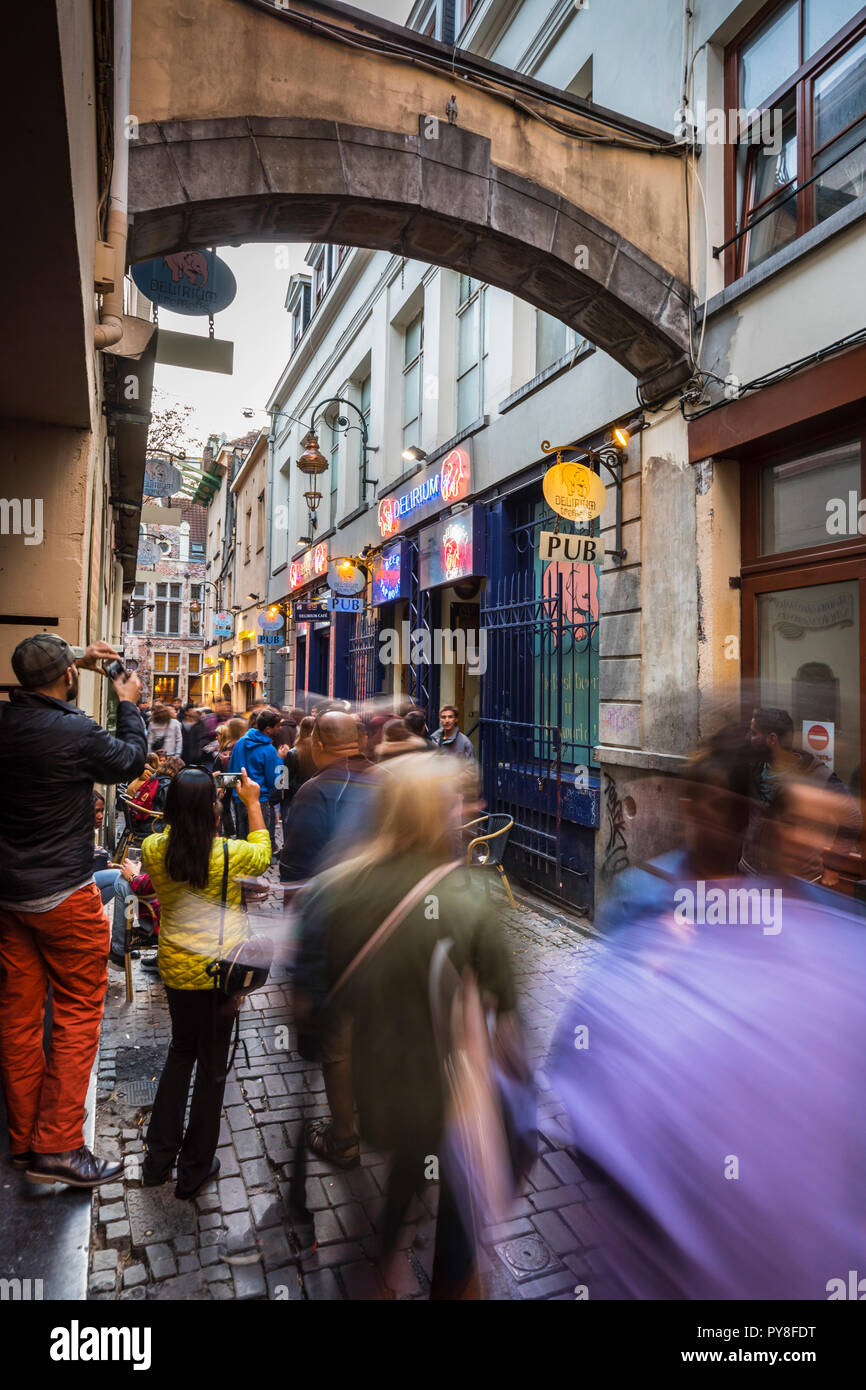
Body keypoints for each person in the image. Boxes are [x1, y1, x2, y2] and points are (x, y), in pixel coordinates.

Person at [294, 752, 518, 1297]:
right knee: (456, 1204)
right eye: (461, 802)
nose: (473, 808)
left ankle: (384, 1271)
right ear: (438, 813)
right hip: (452, 1095)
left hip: (382, 1088)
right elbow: (507, 1015)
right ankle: (436, 1280)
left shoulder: (341, 890)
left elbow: (313, 1000)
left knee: (409, 1171)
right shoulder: (467, 902)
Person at [0, 633, 146, 1186]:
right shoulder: (75, 732)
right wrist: (127, 700)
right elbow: (129, 761)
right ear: (68, 679)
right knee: (78, 1012)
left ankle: (23, 1145)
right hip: (62, 894)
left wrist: (73, 660)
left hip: (10, 896)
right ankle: (58, 1146)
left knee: (17, 1018)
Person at [140, 767, 271, 1199]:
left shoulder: (154, 848)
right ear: (213, 809)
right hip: (221, 975)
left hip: (177, 970)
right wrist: (252, 802)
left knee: (181, 1053)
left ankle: (158, 1160)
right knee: (213, 1070)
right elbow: (263, 851)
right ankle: (194, 1168)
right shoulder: (230, 854)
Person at [740, 706, 862, 878]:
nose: (748, 738)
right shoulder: (754, 767)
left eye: (754, 733)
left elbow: (852, 819)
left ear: (772, 739)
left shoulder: (817, 775)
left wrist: (833, 866)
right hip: (752, 876)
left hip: (798, 881)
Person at [279, 712, 377, 883]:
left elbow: (295, 868)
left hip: (336, 895)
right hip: (383, 897)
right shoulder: (388, 777)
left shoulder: (313, 791)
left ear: (318, 745)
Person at [228, 707, 286, 848]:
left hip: (239, 797)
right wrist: (280, 759)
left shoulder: (240, 743)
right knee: (259, 841)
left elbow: (231, 772)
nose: (279, 729)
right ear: (268, 729)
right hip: (260, 800)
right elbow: (275, 781)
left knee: (242, 841)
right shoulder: (269, 750)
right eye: (278, 726)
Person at [214, 717, 247, 837]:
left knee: (241, 821)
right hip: (241, 787)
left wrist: (220, 784)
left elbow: (236, 773)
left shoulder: (236, 746)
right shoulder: (238, 745)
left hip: (240, 787)